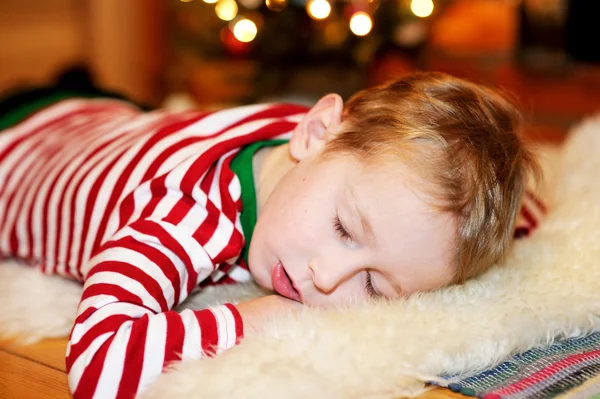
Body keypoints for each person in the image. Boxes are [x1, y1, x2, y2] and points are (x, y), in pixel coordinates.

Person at [0, 71, 542, 399]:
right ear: (312, 131)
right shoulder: (186, 212)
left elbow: (488, 206)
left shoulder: (329, 150)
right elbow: (99, 364)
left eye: (375, 288)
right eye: (343, 228)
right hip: (22, 141)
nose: (324, 280)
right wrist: (257, 316)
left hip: (115, 120)